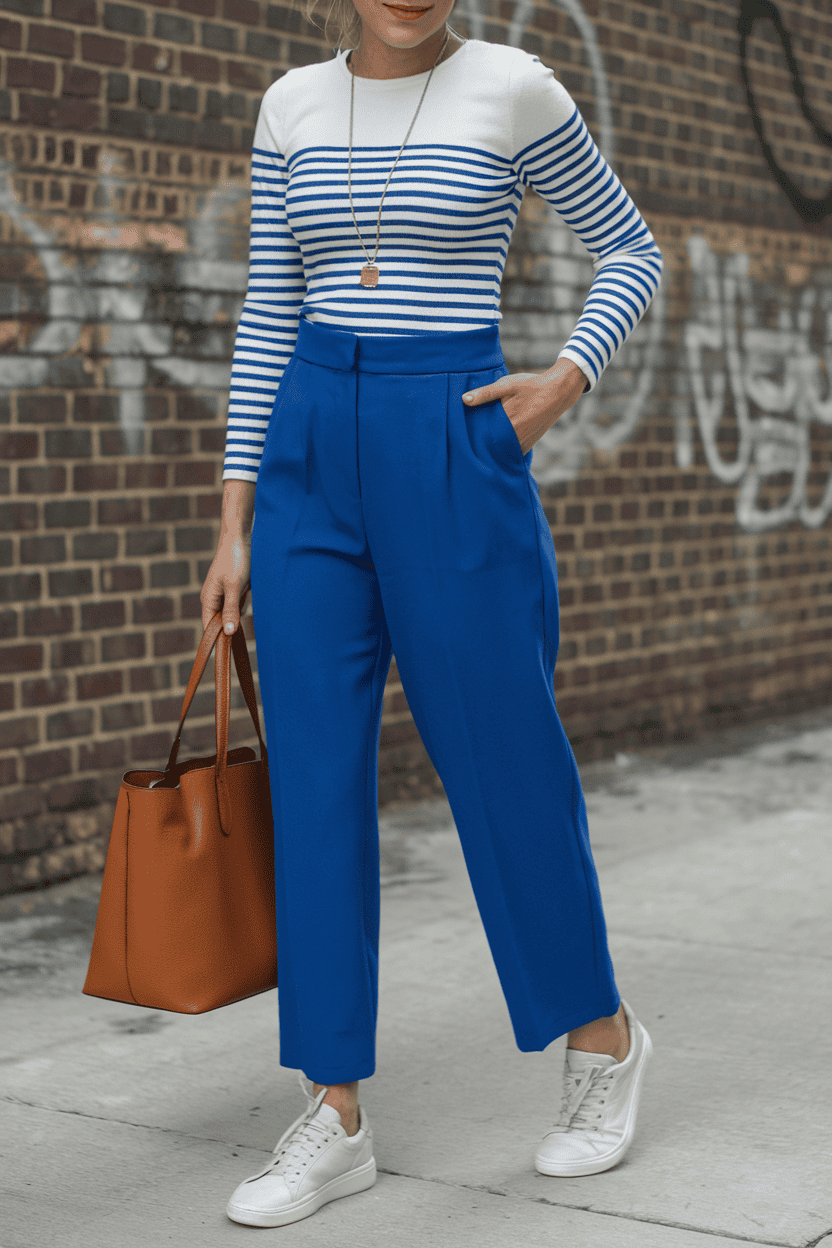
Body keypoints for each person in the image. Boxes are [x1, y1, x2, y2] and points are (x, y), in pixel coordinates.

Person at [202, 0, 663, 1228]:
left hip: (450, 431)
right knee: (313, 785)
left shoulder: (512, 85)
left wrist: (562, 382)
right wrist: (235, 519)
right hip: (308, 449)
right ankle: (335, 1112)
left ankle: (603, 1042)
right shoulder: (290, 104)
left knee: (502, 759)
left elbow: (632, 250)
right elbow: (265, 310)